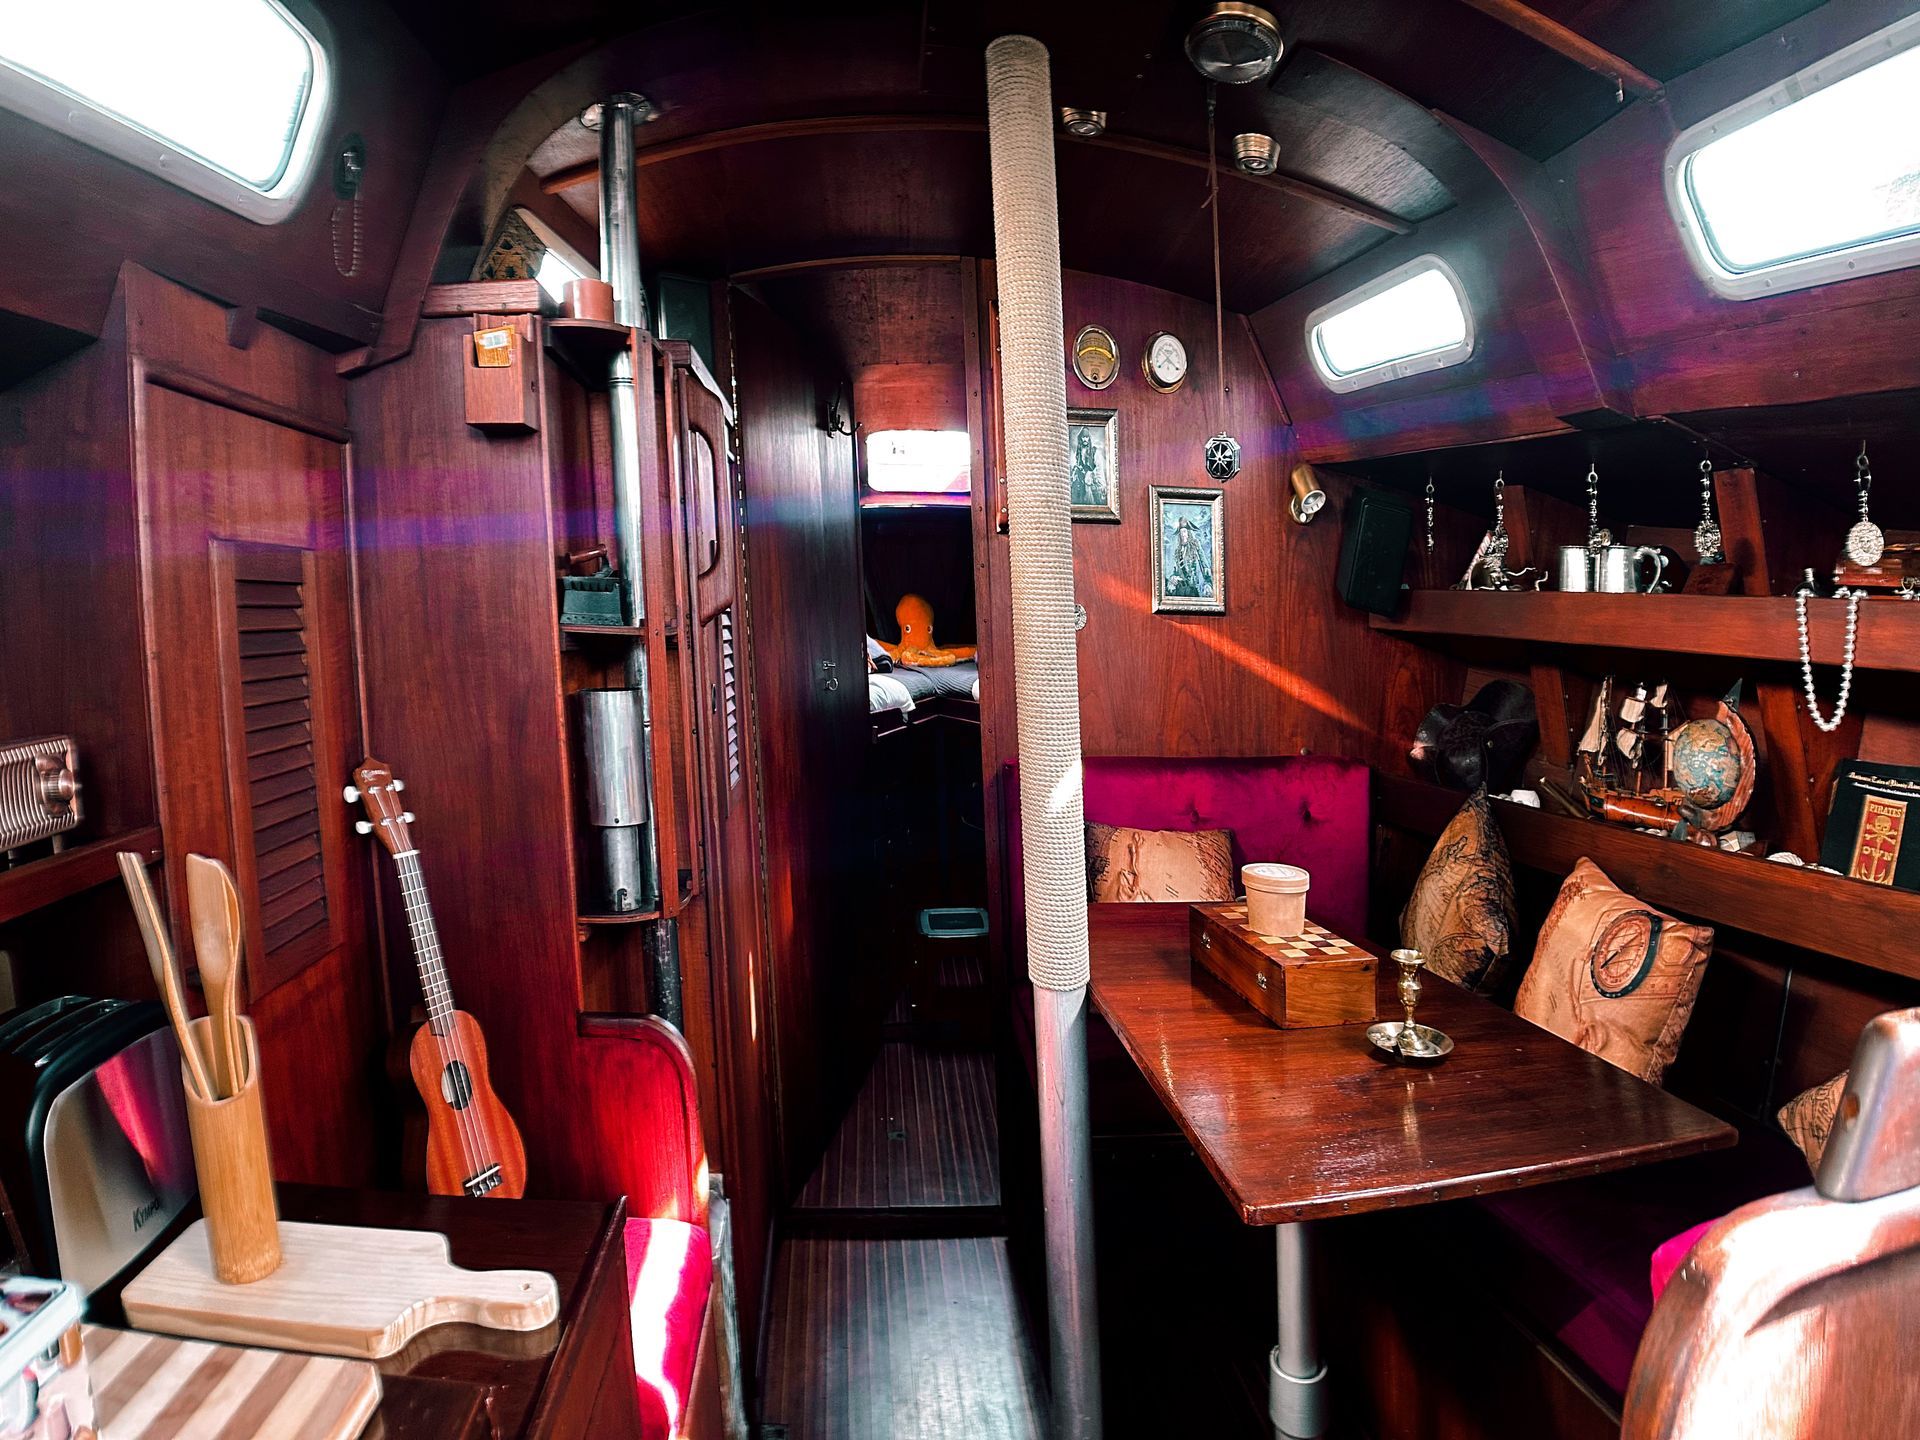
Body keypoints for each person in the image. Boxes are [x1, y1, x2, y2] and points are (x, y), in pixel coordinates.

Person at [1169, 513, 1211, 596]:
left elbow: (1204, 564)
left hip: (1195, 588)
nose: (1182, 535)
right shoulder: (1178, 551)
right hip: (1181, 589)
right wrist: (1173, 577)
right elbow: (1175, 571)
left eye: (1184, 532)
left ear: (1189, 533)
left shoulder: (1195, 547)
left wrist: (1207, 583)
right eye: (1181, 533)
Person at [1071, 428, 1105, 505]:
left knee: (1091, 501)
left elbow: (1099, 468)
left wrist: (1090, 474)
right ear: (1080, 438)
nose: (1085, 439)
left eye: (1087, 437)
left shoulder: (1094, 451)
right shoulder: (1078, 452)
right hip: (1081, 481)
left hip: (1090, 482)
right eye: (1083, 437)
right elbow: (1078, 465)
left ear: (1089, 438)